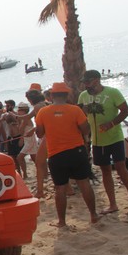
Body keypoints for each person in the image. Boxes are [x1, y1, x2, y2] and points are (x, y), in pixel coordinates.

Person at [35, 82, 98, 227]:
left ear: (51, 96)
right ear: (66, 95)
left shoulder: (43, 112)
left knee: (60, 188)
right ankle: (93, 215)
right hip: (76, 151)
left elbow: (39, 133)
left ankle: (62, 221)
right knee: (84, 183)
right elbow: (85, 130)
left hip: (56, 154)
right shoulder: (75, 110)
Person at [78, 70, 128, 214]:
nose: (85, 85)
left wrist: (111, 124)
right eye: (84, 82)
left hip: (115, 137)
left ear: (96, 80)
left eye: (87, 82)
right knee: (105, 170)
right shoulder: (83, 96)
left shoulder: (113, 92)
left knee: (120, 167)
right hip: (98, 140)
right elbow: (80, 114)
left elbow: (125, 111)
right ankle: (113, 204)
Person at [16, 102, 38, 179]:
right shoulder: (23, 119)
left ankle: (25, 174)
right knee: (34, 158)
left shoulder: (25, 119)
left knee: (20, 157)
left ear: (24, 111)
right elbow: (20, 131)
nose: (18, 112)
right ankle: (41, 172)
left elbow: (21, 131)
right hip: (28, 140)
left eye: (19, 110)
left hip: (30, 141)